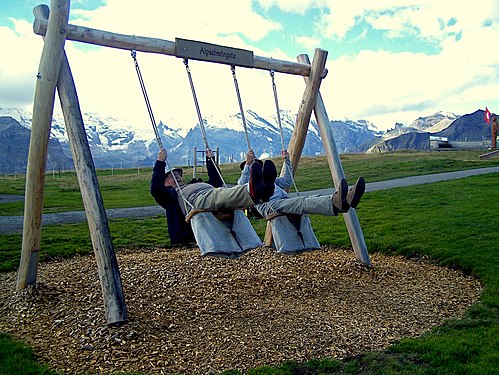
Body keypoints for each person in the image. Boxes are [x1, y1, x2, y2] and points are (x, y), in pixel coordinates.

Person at [150, 147, 275, 244]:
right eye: (172, 176)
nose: (177, 176)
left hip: (210, 194)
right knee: (220, 195)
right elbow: (155, 188)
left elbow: (215, 180)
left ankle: (261, 191)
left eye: (178, 175)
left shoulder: (192, 184)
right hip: (196, 200)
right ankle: (253, 191)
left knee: (223, 194)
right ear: (164, 182)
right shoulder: (169, 196)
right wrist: (160, 162)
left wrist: (210, 160)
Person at [237, 149, 365, 219]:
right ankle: (336, 202)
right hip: (270, 207)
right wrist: (248, 165)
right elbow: (241, 184)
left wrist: (287, 161)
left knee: (309, 199)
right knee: (301, 202)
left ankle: (346, 200)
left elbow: (287, 180)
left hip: (282, 202)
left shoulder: (270, 183)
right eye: (254, 168)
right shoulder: (247, 186)